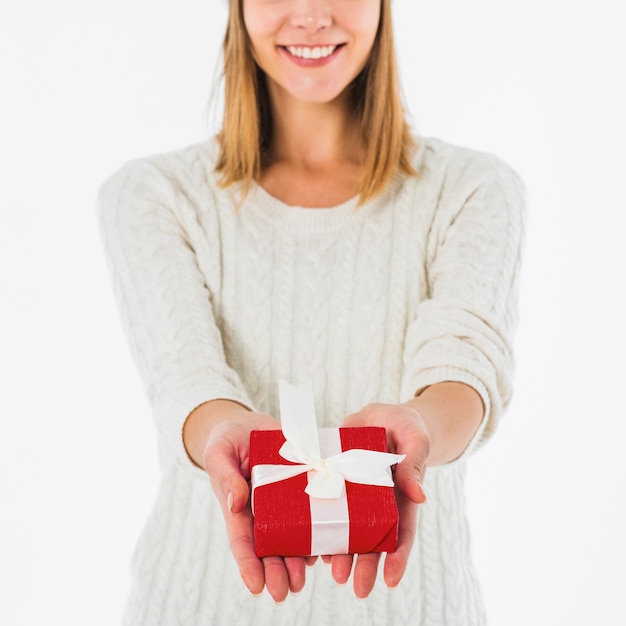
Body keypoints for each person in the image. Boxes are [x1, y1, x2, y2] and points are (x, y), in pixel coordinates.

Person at [98, 0, 525, 624]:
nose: (311, 14)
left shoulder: (473, 190)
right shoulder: (152, 197)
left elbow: (466, 365)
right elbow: (184, 378)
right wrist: (223, 433)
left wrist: (420, 426)